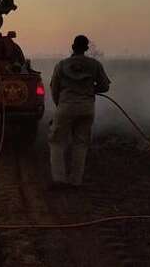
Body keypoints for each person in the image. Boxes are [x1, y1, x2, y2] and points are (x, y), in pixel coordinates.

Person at [48, 35, 111, 189]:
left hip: (66, 107)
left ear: (72, 46)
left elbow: (54, 88)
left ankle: (59, 179)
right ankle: (75, 182)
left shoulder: (62, 65)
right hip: (87, 108)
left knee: (56, 142)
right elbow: (105, 86)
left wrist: (60, 105)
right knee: (81, 144)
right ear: (87, 48)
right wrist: (90, 89)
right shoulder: (95, 65)